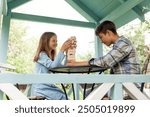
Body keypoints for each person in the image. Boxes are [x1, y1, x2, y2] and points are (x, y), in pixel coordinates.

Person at [67, 20, 141, 74]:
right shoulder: (118, 45)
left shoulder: (124, 44)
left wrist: (75, 64)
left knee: (91, 91)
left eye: (101, 37)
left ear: (108, 33)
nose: (101, 41)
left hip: (129, 89)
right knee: (89, 90)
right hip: (123, 86)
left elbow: (105, 61)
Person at [31, 32, 72, 100]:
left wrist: (67, 53)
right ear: (46, 42)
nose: (56, 43)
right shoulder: (42, 55)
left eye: (56, 41)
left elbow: (64, 68)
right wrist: (62, 49)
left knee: (66, 98)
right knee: (64, 98)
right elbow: (53, 66)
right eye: (53, 40)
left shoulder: (50, 58)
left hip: (48, 88)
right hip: (41, 89)